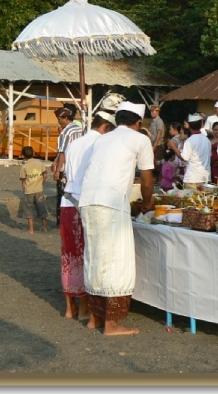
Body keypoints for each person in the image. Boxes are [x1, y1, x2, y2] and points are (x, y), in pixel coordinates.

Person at [79, 101, 155, 336]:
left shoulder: (103, 138)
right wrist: (148, 203)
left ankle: (95, 319)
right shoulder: (140, 139)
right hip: (110, 203)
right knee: (116, 261)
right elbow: (146, 180)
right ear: (139, 122)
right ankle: (111, 324)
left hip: (88, 201)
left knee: (95, 258)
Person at [60, 111, 116, 321]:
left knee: (68, 255)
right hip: (84, 203)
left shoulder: (75, 142)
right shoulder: (100, 144)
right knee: (86, 255)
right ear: (106, 127)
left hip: (66, 202)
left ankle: (69, 306)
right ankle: (84, 307)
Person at [52, 105, 82, 226]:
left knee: (63, 194)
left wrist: (57, 170)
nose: (59, 122)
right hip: (78, 166)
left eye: (59, 119)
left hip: (67, 167)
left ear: (65, 118)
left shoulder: (66, 132)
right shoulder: (80, 129)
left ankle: (62, 220)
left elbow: (62, 152)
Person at [167, 113, 211, 189]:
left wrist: (174, 147)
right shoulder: (206, 139)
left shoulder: (190, 141)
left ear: (189, 126)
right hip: (205, 177)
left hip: (192, 178)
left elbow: (184, 158)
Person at [19, 146, 48, 234]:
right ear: (34, 153)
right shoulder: (40, 163)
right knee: (42, 208)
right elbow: (45, 175)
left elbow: (23, 180)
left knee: (29, 210)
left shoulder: (24, 167)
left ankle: (31, 229)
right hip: (39, 190)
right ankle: (45, 227)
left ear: (23, 155)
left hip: (29, 191)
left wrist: (24, 190)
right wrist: (41, 183)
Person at [149, 104, 166, 182]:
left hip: (158, 145)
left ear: (157, 111)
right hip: (153, 144)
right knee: (153, 163)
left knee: (158, 163)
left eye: (153, 111)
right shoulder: (153, 121)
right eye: (151, 111)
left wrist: (155, 145)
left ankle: (159, 180)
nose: (151, 113)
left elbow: (159, 133)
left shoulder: (159, 121)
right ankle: (155, 180)